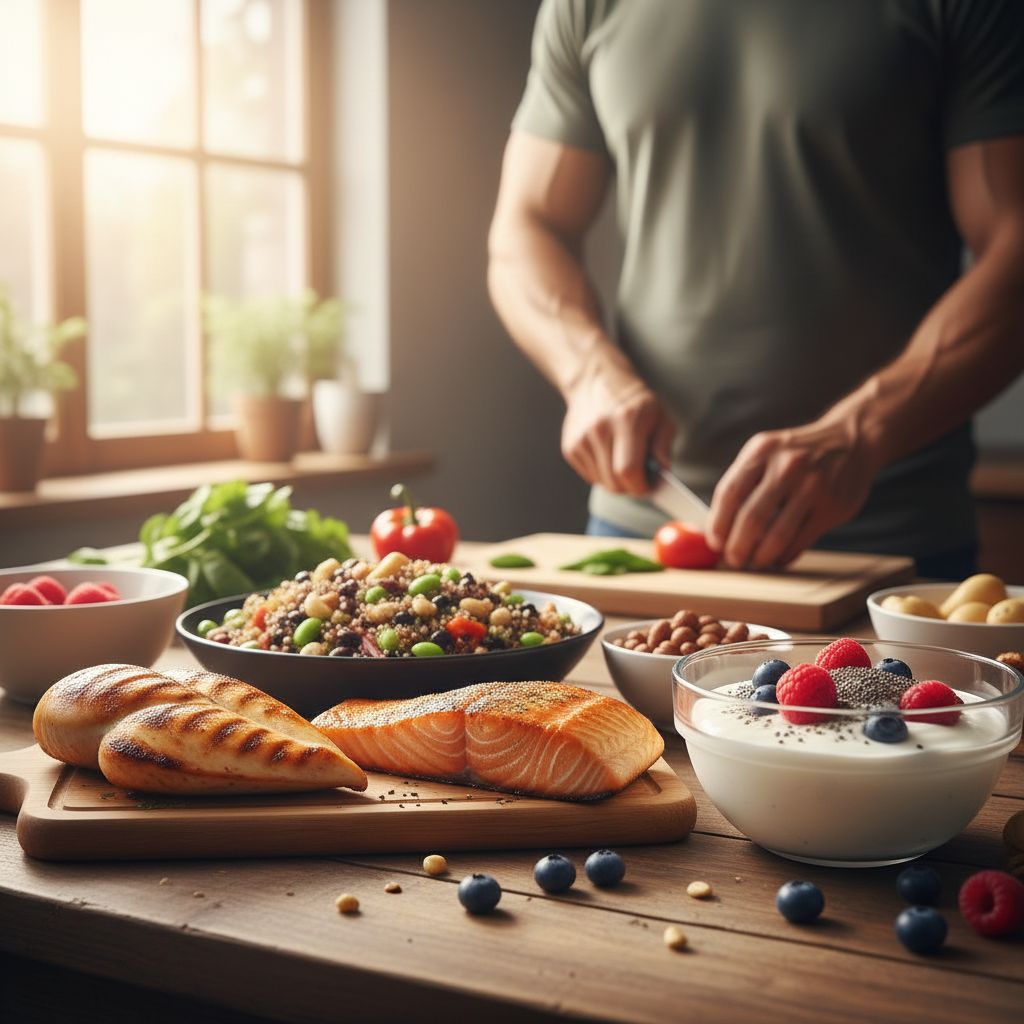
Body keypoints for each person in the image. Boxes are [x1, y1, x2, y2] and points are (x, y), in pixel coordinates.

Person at [487, 0, 1024, 578]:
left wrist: (861, 432)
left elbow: (1014, 254)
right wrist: (588, 372)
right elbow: (527, 227)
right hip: (646, 534)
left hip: (886, 545)